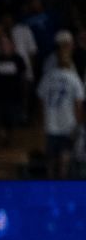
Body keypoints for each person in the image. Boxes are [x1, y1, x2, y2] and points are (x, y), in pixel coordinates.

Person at [36, 35, 84, 177]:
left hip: (52, 125)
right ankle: (58, 192)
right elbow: (79, 105)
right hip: (66, 125)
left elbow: (40, 99)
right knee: (63, 162)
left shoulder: (48, 76)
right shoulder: (73, 78)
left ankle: (52, 193)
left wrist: (42, 118)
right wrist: (78, 124)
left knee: (52, 162)